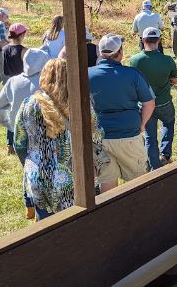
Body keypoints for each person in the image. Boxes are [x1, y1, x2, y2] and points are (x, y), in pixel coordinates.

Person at [14, 58, 109, 220]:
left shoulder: (28, 104)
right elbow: (97, 136)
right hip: (75, 177)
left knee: (47, 230)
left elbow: (19, 142)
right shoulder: (81, 103)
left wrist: (31, 164)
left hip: (39, 177)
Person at [89, 33, 155, 191]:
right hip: (129, 135)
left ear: (100, 53)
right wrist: (142, 125)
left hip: (100, 137)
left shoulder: (87, 74)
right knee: (139, 182)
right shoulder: (133, 74)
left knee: (107, 182)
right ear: (120, 52)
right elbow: (149, 103)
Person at [0, 49, 50, 218]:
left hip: (21, 137)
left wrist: (10, 125)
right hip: (45, 135)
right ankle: (42, 211)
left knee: (28, 171)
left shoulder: (13, 82)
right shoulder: (47, 82)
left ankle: (29, 207)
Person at [129, 27, 177, 169]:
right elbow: (176, 81)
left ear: (143, 40)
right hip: (164, 102)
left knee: (150, 137)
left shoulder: (135, 60)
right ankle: (165, 155)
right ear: (158, 40)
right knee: (168, 124)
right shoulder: (167, 60)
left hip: (145, 105)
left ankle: (154, 166)